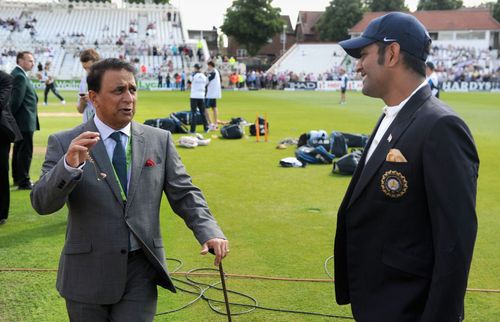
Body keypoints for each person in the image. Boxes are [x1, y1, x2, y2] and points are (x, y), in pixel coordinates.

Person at [31, 58, 229, 321]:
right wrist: (67, 166)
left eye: (132, 90)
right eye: (118, 91)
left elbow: (185, 193)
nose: (129, 98)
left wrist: (209, 231)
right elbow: (42, 204)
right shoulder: (65, 142)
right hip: (86, 274)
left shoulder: (159, 140)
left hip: (140, 271)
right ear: (94, 98)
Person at [334, 12, 479, 321]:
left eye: (363, 54)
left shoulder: (441, 126)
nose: (357, 65)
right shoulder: (394, 115)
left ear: (393, 53)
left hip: (407, 308)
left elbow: (454, 244)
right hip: (378, 301)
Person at [10, 51, 39, 190]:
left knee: (18, 150)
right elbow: (15, 101)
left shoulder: (19, 75)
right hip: (24, 122)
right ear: (20, 61)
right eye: (29, 61)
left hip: (21, 121)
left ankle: (17, 178)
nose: (32, 63)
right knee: (25, 152)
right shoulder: (20, 76)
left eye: (33, 61)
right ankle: (24, 182)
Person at [0, 70, 22, 225]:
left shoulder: (5, 78)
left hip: (0, 134)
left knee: (0, 173)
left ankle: (1, 213)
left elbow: (0, 102)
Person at [77, 48, 100, 123]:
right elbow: (80, 110)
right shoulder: (83, 81)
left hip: (103, 126)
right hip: (87, 126)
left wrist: (92, 99)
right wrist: (82, 102)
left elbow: (111, 106)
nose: (87, 71)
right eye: (85, 68)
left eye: (90, 68)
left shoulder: (106, 80)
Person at [189, 63, 209, 133]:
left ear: (195, 68)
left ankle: (192, 130)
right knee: (202, 113)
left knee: (193, 113)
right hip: (201, 96)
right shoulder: (204, 76)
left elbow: (190, 80)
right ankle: (206, 128)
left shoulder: (193, 75)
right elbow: (206, 83)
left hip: (194, 96)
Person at [205, 61, 222, 130]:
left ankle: (211, 124)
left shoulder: (213, 72)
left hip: (210, 93)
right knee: (214, 108)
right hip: (213, 93)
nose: (207, 67)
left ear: (210, 65)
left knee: (205, 108)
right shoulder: (216, 72)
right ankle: (215, 123)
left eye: (208, 66)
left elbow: (206, 81)